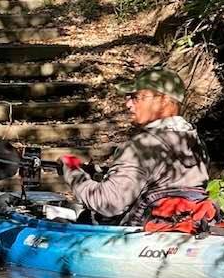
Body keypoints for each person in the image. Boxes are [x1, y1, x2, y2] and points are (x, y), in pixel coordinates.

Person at [60, 67, 209, 226]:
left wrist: (71, 170)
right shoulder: (196, 142)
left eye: (137, 97)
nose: (128, 104)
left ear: (164, 101)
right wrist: (100, 176)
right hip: (180, 233)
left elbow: (108, 203)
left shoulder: (141, 146)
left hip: (136, 240)